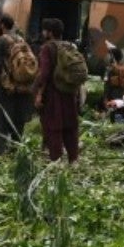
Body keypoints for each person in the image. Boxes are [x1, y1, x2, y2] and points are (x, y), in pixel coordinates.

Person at [33, 17, 83, 162]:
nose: (43, 33)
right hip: (70, 92)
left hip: (53, 94)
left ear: (49, 32)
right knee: (70, 126)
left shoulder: (47, 48)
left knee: (53, 126)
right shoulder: (70, 46)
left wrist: (38, 94)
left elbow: (44, 73)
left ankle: (56, 160)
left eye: (44, 30)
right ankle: (73, 159)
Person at [0, 14, 35, 152]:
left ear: (2, 25)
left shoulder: (1, 41)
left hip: (6, 85)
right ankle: (16, 146)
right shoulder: (21, 39)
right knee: (17, 117)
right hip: (21, 84)